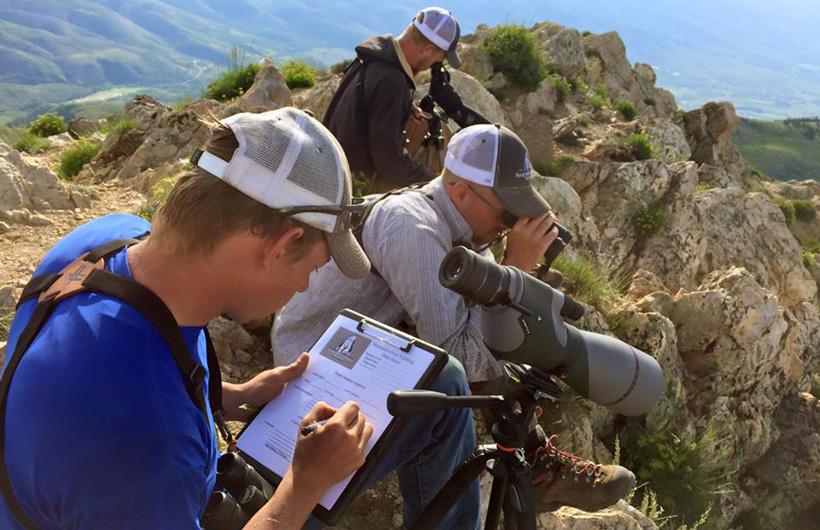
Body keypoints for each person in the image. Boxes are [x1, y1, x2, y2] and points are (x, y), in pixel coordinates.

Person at [0, 108, 479, 530]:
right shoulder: (146, 444)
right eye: (311, 268)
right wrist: (303, 485)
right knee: (442, 394)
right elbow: (138, 431)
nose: (303, 288)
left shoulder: (109, 239)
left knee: (441, 388)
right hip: (163, 493)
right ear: (282, 244)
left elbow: (138, 353)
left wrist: (232, 395)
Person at [273, 123, 636, 513]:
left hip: (366, 351)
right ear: (461, 190)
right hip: (316, 370)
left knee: (494, 341)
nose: (510, 221)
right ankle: (527, 478)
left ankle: (536, 464)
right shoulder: (412, 225)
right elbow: (459, 355)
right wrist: (517, 271)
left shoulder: (469, 236)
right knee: (451, 377)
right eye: (507, 208)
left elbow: (489, 340)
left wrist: (516, 286)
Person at [324, 6, 487, 192]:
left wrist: (406, 106)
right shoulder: (392, 82)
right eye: (439, 58)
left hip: (333, 160)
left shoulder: (375, 54)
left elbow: (366, 99)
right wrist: (436, 184)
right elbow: (390, 163)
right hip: (351, 183)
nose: (436, 65)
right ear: (427, 49)